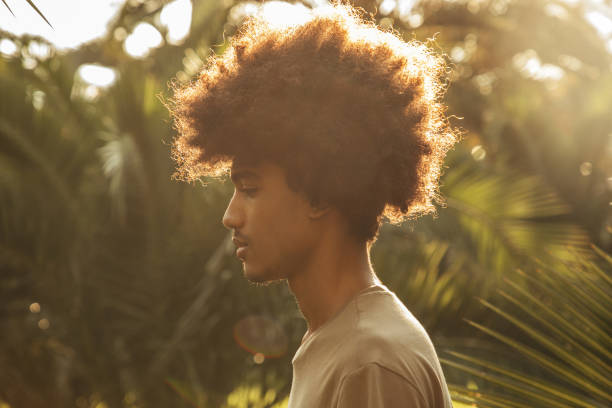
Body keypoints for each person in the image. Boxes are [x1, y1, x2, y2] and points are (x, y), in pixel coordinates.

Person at [167, 2, 458, 406]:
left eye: (250, 188)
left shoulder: (369, 361)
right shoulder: (342, 340)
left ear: (320, 193)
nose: (229, 216)